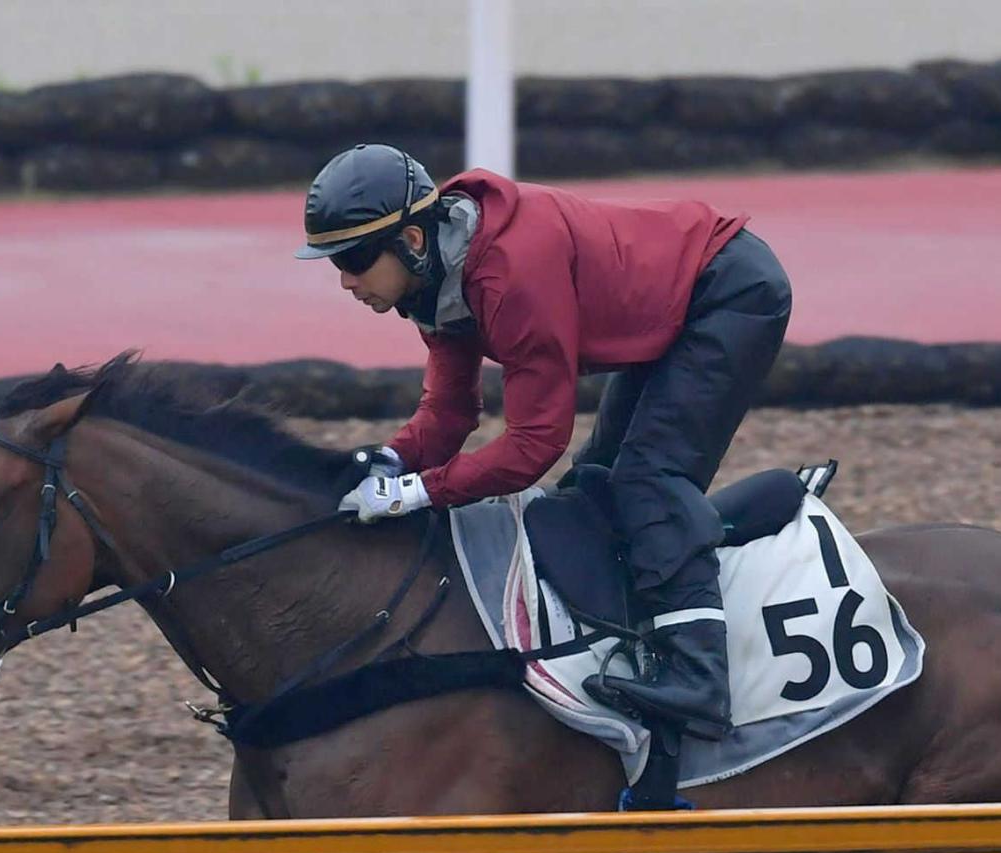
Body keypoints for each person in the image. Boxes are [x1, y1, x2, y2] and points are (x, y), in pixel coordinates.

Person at [296, 143, 792, 741]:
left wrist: (416, 492)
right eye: (334, 264)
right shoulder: (435, 277)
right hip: (676, 302)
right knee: (595, 483)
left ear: (414, 241)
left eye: (354, 258)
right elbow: (451, 412)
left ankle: (701, 674)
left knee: (647, 478)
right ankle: (639, 631)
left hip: (730, 293)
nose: (346, 281)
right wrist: (390, 459)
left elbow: (534, 445)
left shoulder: (508, 276)